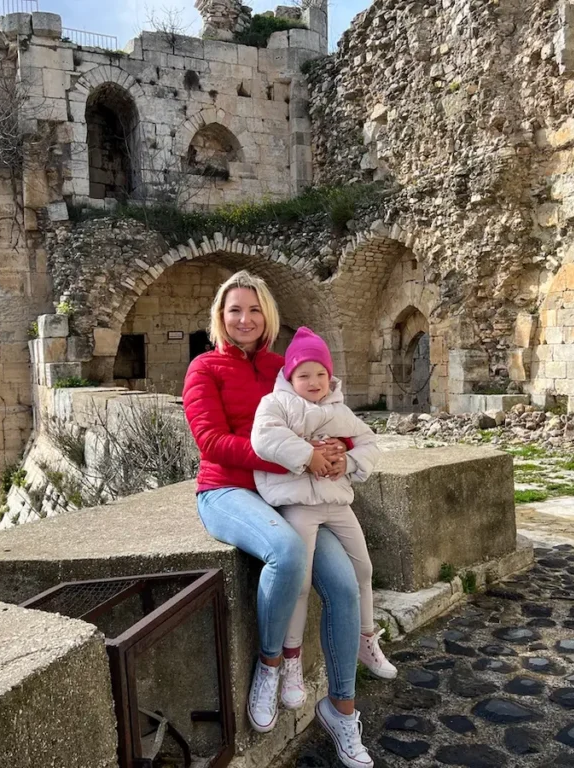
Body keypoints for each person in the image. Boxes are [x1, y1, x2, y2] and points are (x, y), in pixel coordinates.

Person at [182, 271, 374, 768]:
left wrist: (338, 453)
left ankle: (342, 709)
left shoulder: (281, 368)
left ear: (268, 315)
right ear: (220, 319)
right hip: (226, 490)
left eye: (253, 309)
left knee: (347, 584)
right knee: (287, 553)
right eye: (234, 311)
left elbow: (331, 414)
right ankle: (272, 663)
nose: (244, 319)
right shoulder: (204, 368)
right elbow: (212, 442)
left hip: (291, 495)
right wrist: (300, 458)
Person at [250, 327, 397, 715]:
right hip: (299, 504)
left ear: (329, 376)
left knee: (363, 568)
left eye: (320, 374)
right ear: (289, 377)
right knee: (299, 583)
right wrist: (308, 455)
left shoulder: (340, 411)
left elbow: (370, 443)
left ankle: (367, 639)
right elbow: (264, 439)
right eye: (303, 375)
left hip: (336, 502)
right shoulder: (275, 404)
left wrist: (347, 459)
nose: (313, 383)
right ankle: (291, 658)